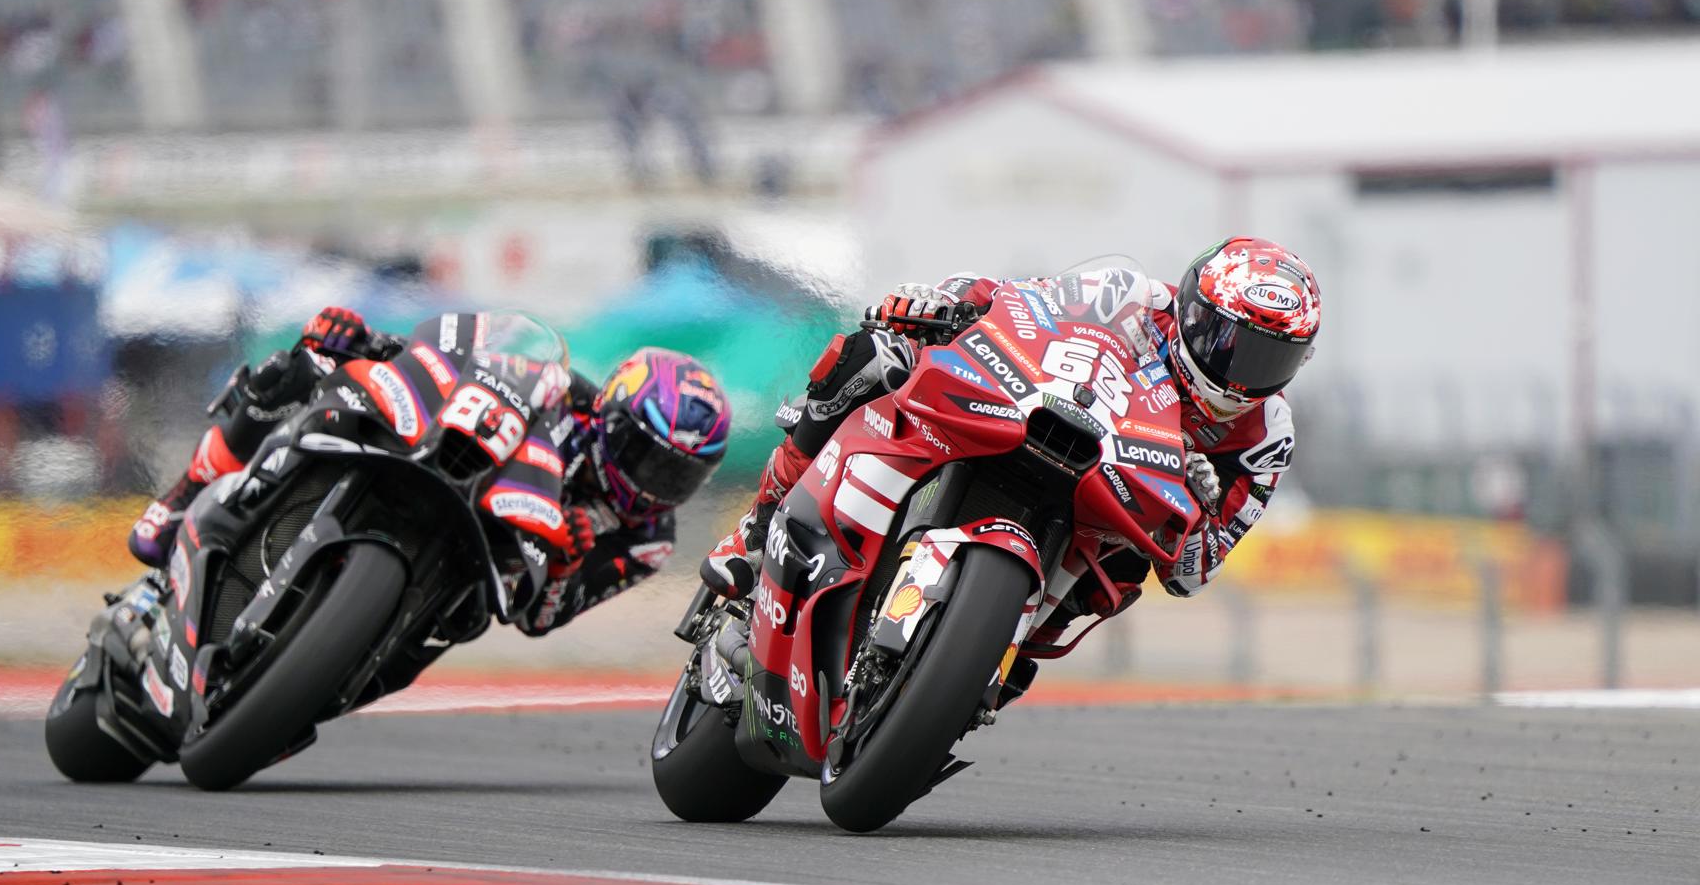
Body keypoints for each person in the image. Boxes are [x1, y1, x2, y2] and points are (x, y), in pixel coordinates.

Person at [701, 237, 1321, 673]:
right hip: (1026, 414)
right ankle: (759, 526)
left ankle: (1002, 651)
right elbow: (1015, 301)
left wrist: (1198, 503)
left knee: (1130, 565)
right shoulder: (1127, 295)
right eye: (1232, 344)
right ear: (1192, 311)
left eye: (1271, 359)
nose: (1242, 376)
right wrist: (943, 303)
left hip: (1109, 500)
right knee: (873, 357)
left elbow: (1195, 571)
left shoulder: (1268, 434)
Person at [129, 307, 730, 635]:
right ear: (612, 412)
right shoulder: (566, 393)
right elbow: (452, 362)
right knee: (295, 370)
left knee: (459, 623)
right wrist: (363, 341)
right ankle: (184, 497)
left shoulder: (648, 539)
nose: (653, 483)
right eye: (646, 456)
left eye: (677, 476)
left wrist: (565, 566)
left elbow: (541, 619)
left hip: (466, 577)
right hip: (443, 463)